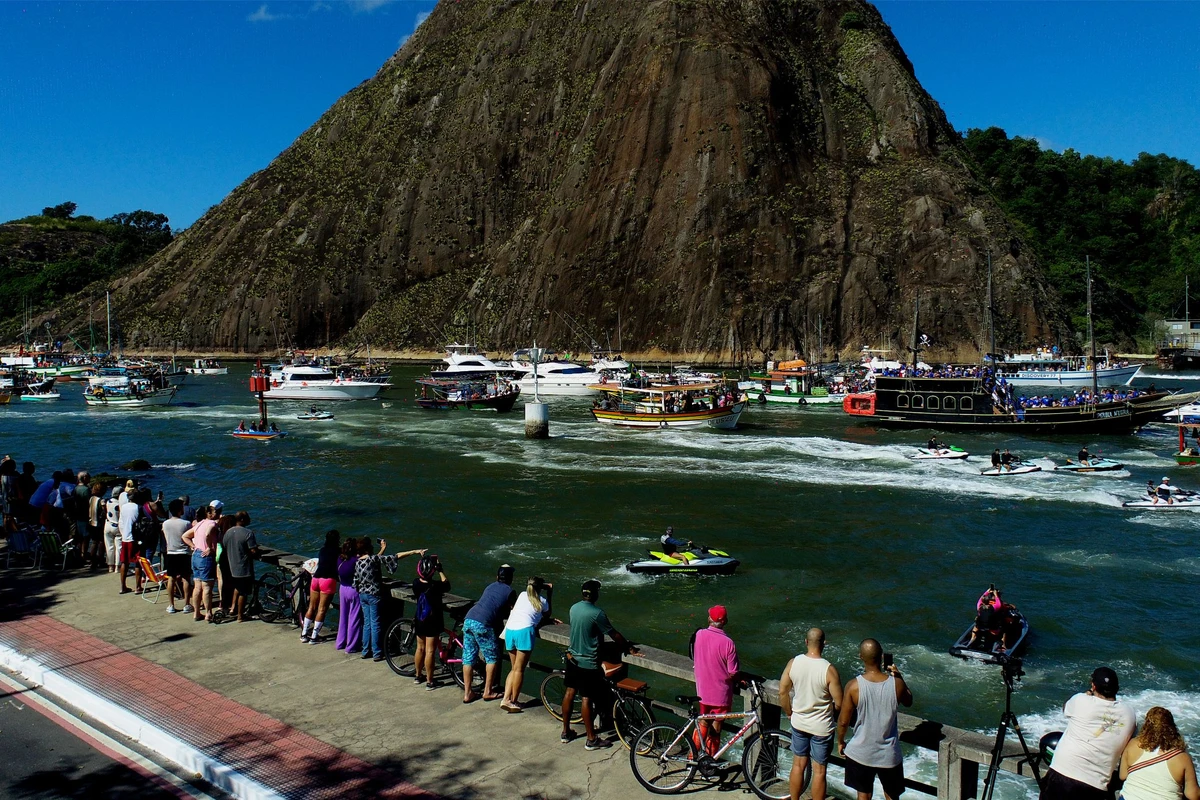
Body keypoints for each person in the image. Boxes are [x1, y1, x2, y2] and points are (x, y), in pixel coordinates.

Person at [561, 579, 640, 751]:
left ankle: (566, 732)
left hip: (572, 657)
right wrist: (629, 647)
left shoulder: (574, 608)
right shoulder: (597, 613)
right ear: (595, 594)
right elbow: (614, 634)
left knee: (569, 692)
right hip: (588, 662)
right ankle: (591, 739)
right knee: (586, 698)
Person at [1040, 667, 1136, 800]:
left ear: (1093, 685)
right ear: (1117, 688)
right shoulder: (1129, 713)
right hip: (1096, 785)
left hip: (1062, 775)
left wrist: (1089, 693)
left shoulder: (1081, 700)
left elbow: (1065, 709)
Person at [837, 639, 913, 800]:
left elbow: (843, 721)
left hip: (861, 752)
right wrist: (899, 677)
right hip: (888, 754)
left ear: (861, 657)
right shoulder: (896, 685)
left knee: (863, 795)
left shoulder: (853, 686)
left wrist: (840, 741)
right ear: (881, 657)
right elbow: (908, 701)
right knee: (892, 796)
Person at [780, 628, 843, 800]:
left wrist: (789, 713)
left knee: (798, 765)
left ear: (806, 642)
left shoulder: (794, 662)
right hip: (821, 727)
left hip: (799, 722)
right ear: (824, 644)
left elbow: (783, 692)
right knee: (819, 771)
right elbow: (839, 702)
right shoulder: (829, 670)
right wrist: (833, 715)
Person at [353, 539, 424, 662]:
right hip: (373, 595)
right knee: (375, 624)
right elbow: (395, 557)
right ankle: (376, 653)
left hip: (362, 594)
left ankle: (365, 651)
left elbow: (355, 581)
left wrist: (383, 549)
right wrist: (414, 551)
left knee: (367, 624)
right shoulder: (373, 560)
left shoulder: (358, 562)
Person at [462, 565, 519, 703]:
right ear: (510, 578)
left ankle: (468, 693)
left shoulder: (490, 586)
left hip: (469, 619)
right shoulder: (510, 591)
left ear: (497, 577)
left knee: (468, 658)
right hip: (483, 623)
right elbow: (513, 610)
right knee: (492, 658)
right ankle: (488, 691)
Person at [1119, 706, 1200, 800]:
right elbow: (1193, 795)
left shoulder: (1133, 744)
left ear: (1146, 726)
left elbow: (1122, 775)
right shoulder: (1182, 758)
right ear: (1172, 728)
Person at [692, 605, 740, 757]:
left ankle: (692, 757)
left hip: (702, 691)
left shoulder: (699, 634)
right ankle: (710, 760)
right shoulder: (728, 643)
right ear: (725, 621)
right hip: (720, 694)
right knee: (716, 727)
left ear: (709, 619)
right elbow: (733, 672)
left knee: (703, 722)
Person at [501, 576, 552, 713]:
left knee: (513, 668)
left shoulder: (522, 595)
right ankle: (514, 701)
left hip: (510, 630)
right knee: (519, 670)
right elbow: (547, 614)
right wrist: (550, 593)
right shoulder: (542, 601)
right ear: (541, 588)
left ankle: (506, 698)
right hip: (524, 632)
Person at [413, 553, 450, 688]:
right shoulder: (436, 586)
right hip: (433, 621)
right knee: (430, 651)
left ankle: (418, 676)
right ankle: (430, 681)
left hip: (420, 618)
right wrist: (440, 570)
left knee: (420, 648)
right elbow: (447, 584)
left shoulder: (415, 584)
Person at [301, 530, 341, 644]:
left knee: (311, 607)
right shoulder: (338, 551)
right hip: (328, 580)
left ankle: (304, 634)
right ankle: (314, 637)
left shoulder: (322, 550)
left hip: (316, 578)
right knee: (322, 609)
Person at [183, 505, 219, 622]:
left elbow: (185, 536)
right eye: (215, 512)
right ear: (210, 513)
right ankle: (208, 613)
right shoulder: (212, 524)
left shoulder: (198, 524)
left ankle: (197, 613)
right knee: (207, 586)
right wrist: (209, 547)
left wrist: (193, 546)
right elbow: (208, 534)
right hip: (206, 557)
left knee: (197, 586)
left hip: (196, 555)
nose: (218, 513)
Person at [222, 511, 259, 622]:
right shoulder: (248, 533)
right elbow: (253, 550)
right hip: (244, 567)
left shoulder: (228, 532)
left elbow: (224, 545)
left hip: (231, 566)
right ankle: (240, 616)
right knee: (244, 592)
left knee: (237, 588)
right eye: (247, 518)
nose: (249, 520)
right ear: (242, 519)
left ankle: (233, 608)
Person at [161, 499, 194, 615]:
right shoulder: (186, 523)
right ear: (180, 510)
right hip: (184, 553)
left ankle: (171, 605)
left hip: (171, 553)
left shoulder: (165, 523)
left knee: (171, 578)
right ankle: (186, 604)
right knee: (186, 578)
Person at [334, 536, 363, 654]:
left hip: (342, 588)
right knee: (354, 618)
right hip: (353, 590)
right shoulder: (356, 561)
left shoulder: (340, 559)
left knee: (343, 617)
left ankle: (340, 642)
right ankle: (351, 646)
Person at [117, 488, 142, 594]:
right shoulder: (138, 508)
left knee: (124, 562)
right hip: (135, 538)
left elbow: (121, 521)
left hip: (125, 537)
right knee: (137, 562)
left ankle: (123, 586)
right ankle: (138, 586)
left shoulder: (123, 507)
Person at [102, 486, 121, 573]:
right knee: (119, 547)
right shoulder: (120, 504)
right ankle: (117, 566)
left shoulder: (108, 502)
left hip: (108, 524)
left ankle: (110, 566)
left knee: (109, 547)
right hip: (117, 526)